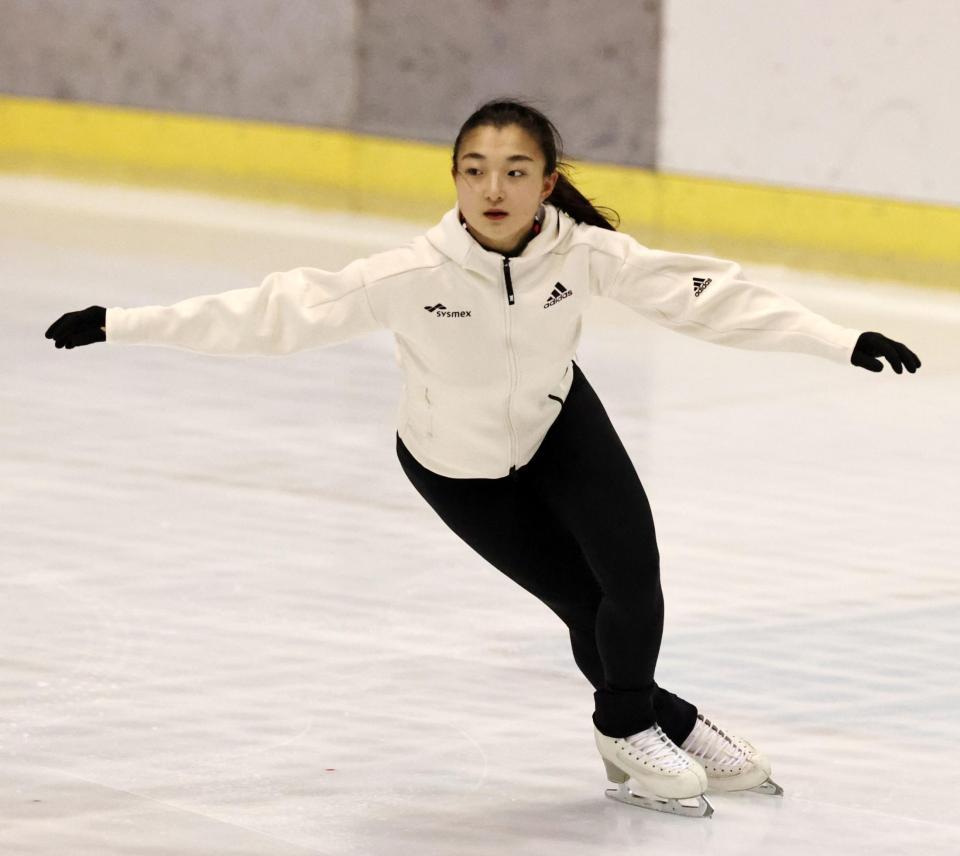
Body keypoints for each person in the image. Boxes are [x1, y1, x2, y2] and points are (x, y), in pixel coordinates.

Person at [45, 97, 921, 818]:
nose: (492, 189)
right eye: (474, 170)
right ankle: (661, 722)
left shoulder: (582, 254)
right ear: (455, 179)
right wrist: (121, 323)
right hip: (454, 464)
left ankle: (628, 725)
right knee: (586, 604)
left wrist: (840, 339)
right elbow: (270, 313)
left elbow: (708, 299)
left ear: (546, 182)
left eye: (514, 172)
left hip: (557, 425)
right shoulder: (409, 275)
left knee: (635, 581)